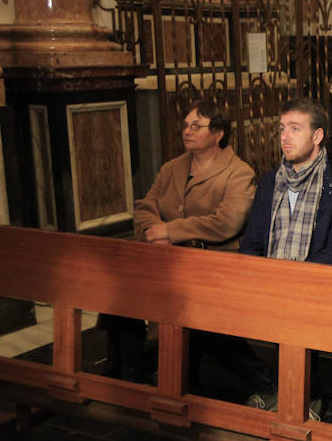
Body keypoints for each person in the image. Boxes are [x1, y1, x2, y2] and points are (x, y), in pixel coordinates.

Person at [108, 99, 256, 383]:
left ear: (218, 133)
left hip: (212, 263)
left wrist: (171, 231)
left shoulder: (239, 172)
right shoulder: (172, 167)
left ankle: (252, 378)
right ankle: (130, 374)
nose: (187, 131)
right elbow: (145, 207)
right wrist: (154, 231)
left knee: (190, 310)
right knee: (118, 295)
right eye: (186, 125)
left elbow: (226, 223)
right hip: (165, 259)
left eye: (197, 126)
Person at [239, 97, 332, 414]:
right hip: (267, 281)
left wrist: (290, 280)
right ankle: (269, 384)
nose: (285, 137)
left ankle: (307, 397)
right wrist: (258, 276)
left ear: (318, 135)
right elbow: (253, 241)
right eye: (282, 129)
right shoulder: (270, 182)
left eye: (295, 129)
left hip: (320, 286)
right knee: (203, 316)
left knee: (296, 311)